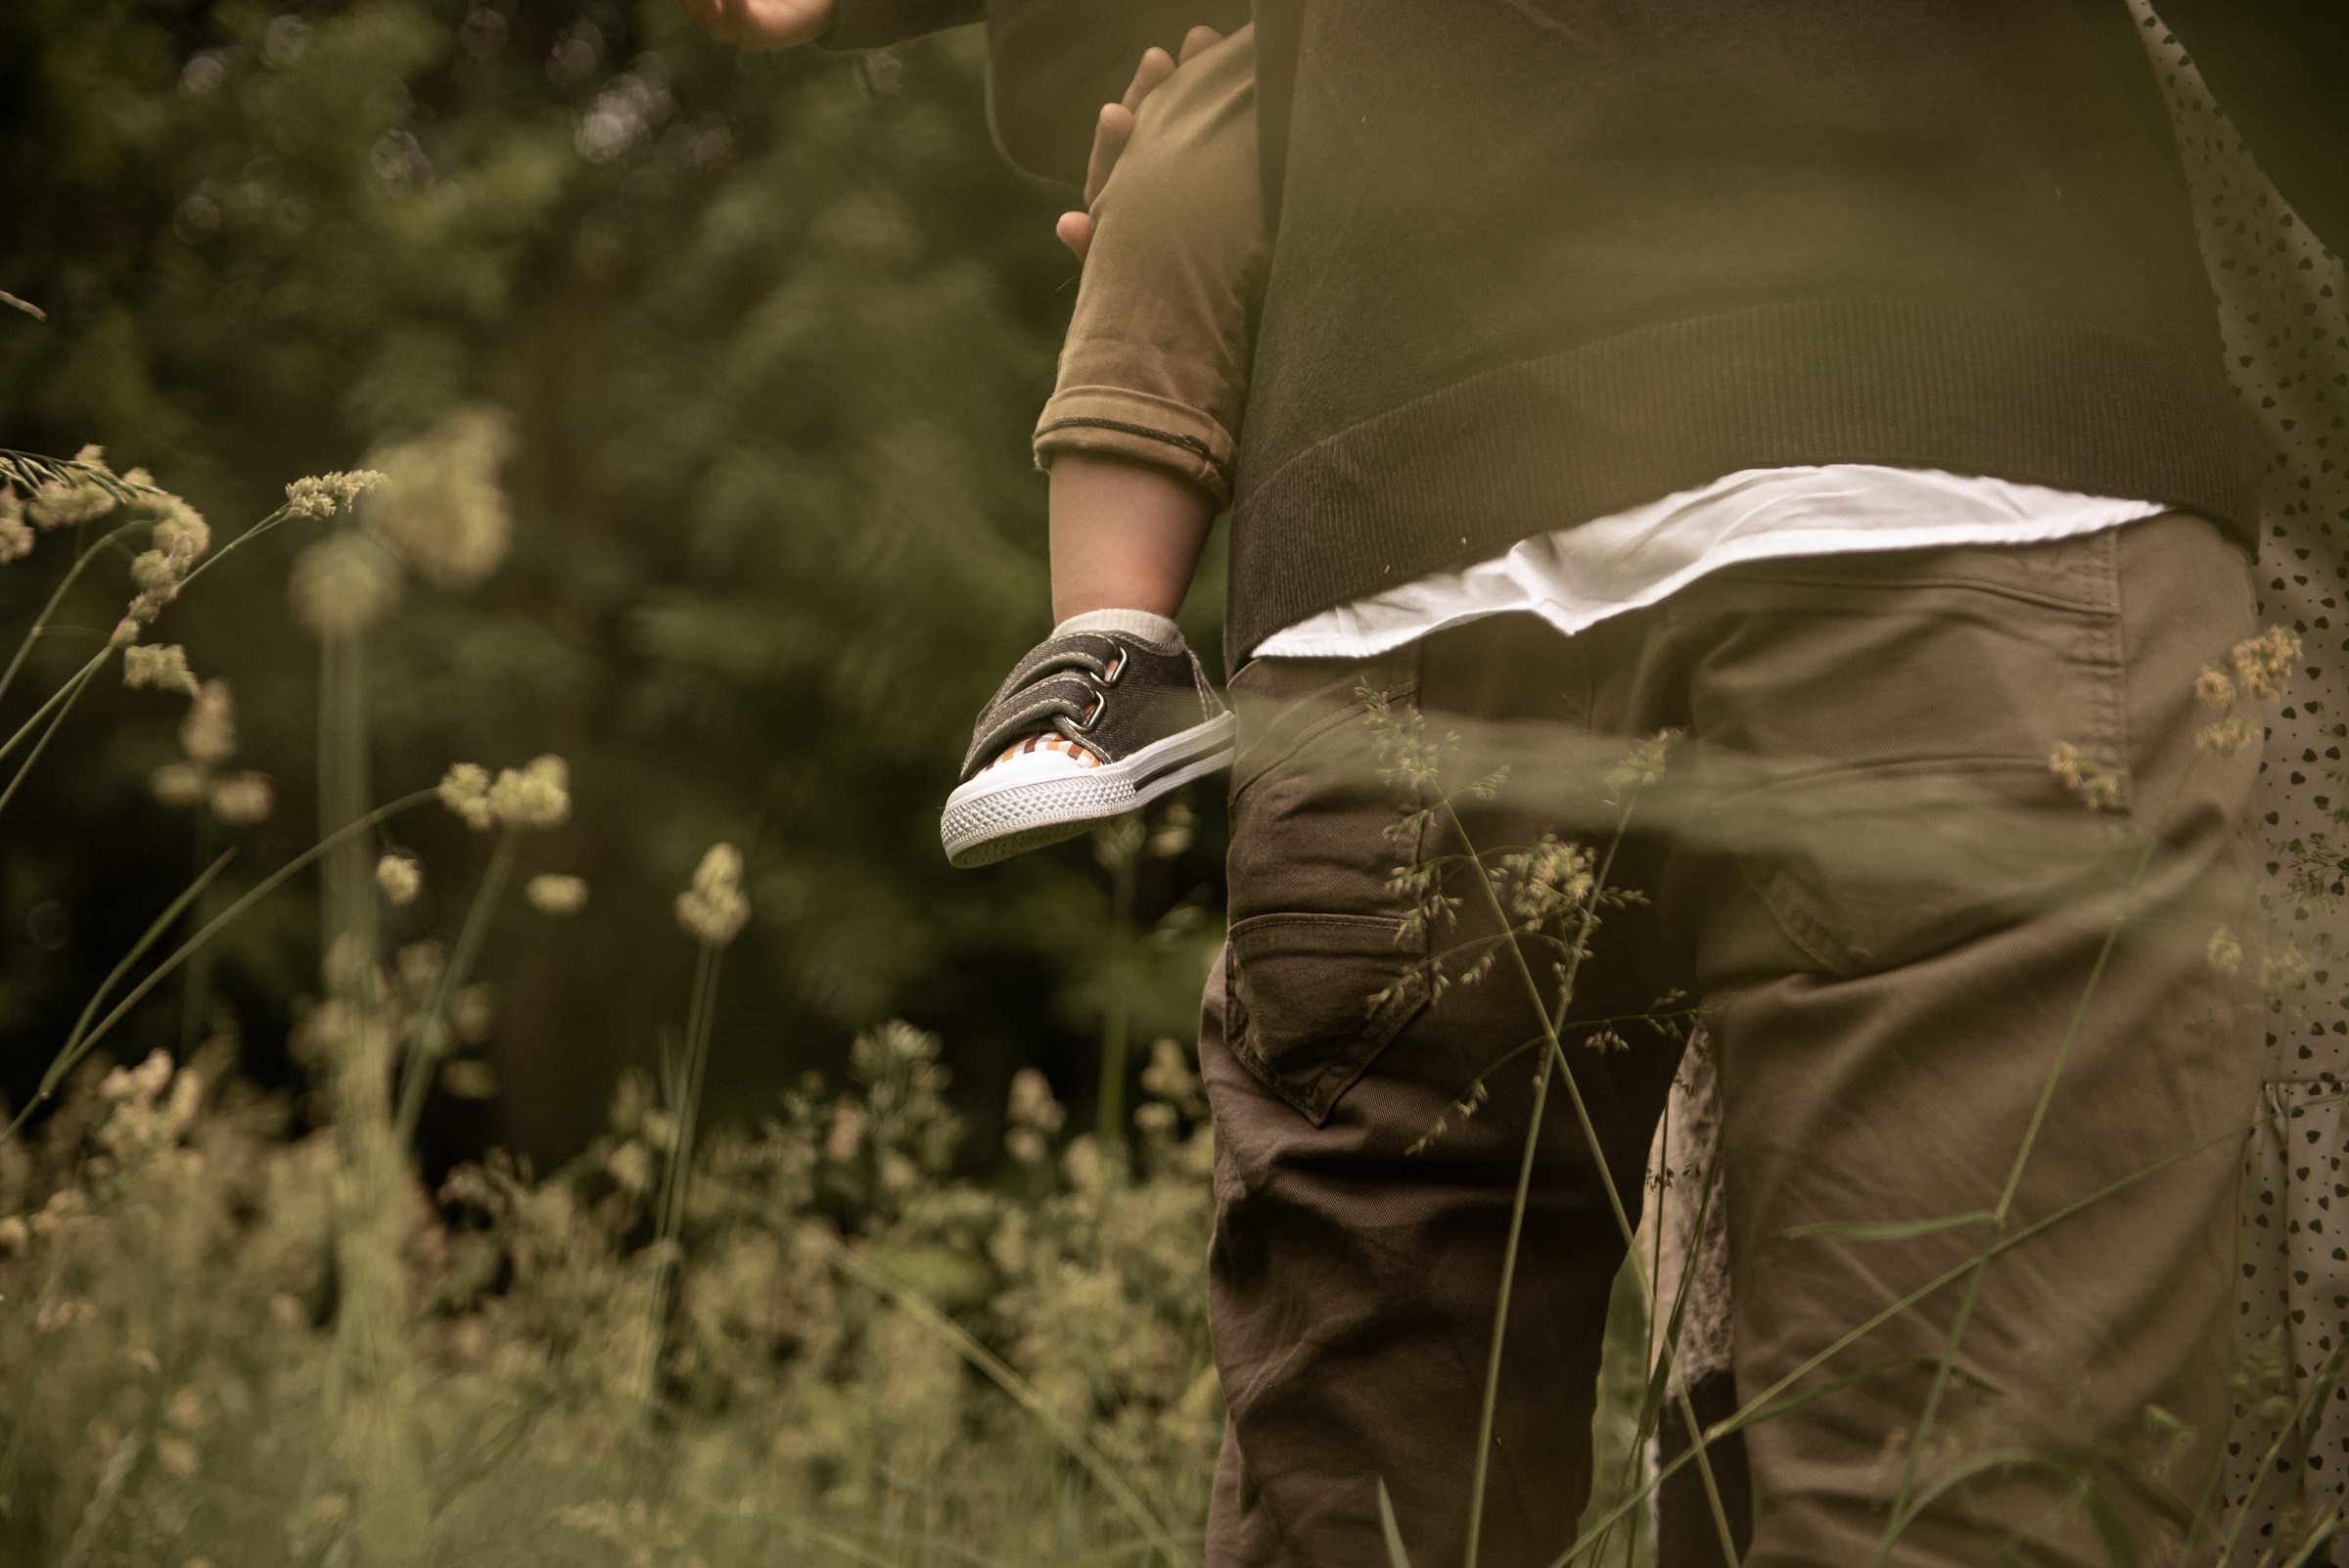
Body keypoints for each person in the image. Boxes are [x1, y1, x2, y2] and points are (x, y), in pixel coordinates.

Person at [676, 3, 2344, 1564]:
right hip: (1951, 448)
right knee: (1957, 1494)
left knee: (1364, 1511)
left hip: (1389, 547)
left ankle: (1099, 650)